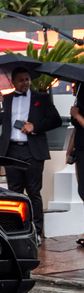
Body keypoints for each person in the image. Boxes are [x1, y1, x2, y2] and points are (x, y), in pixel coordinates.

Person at [0, 67, 62, 244]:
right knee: (14, 192)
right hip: (11, 150)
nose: (25, 83)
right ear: (12, 82)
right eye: (21, 80)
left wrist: (34, 126)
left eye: (27, 79)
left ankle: (36, 231)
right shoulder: (5, 100)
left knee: (34, 192)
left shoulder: (41, 98)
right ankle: (15, 229)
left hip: (32, 150)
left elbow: (56, 120)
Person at [66, 83, 84, 246]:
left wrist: (77, 115)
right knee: (82, 190)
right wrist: (69, 150)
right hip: (80, 150)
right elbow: (77, 129)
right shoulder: (78, 101)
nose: (71, 87)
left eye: (74, 84)